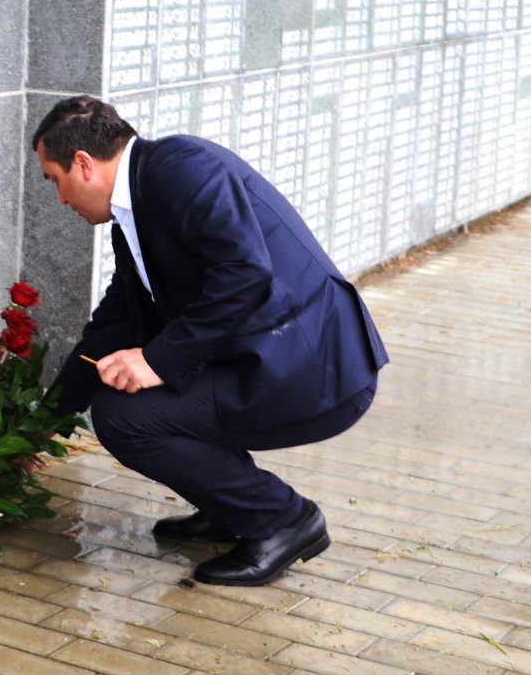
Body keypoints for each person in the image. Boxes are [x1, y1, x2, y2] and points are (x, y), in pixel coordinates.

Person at [34, 95, 387, 586]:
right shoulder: (137, 207)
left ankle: (283, 519)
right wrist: (40, 426)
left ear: (83, 163)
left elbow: (244, 272)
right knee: (135, 401)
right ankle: (231, 509)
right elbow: (113, 325)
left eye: (54, 180)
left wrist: (156, 361)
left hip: (313, 367)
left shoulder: (181, 169)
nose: (60, 199)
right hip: (266, 359)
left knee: (125, 418)